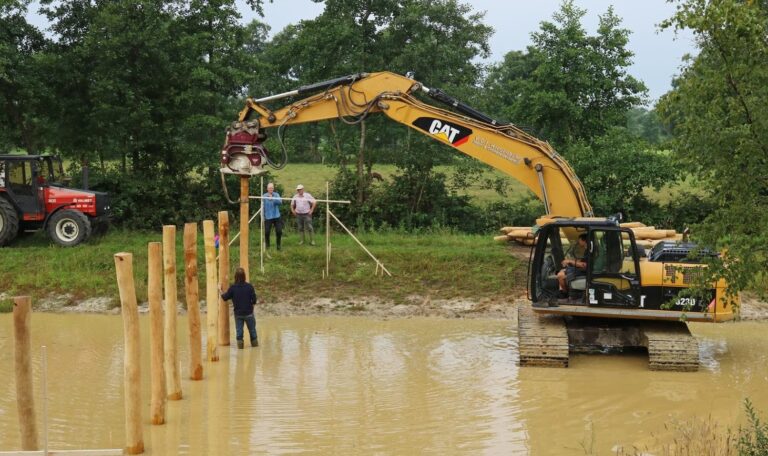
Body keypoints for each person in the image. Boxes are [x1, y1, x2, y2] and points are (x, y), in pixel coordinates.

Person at [220, 267, 258, 349]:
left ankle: (240, 351)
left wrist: (220, 290)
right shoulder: (249, 287)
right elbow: (254, 300)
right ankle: (255, 348)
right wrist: (251, 310)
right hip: (249, 313)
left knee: (239, 334)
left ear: (235, 277)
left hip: (238, 314)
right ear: (244, 276)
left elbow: (224, 297)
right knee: (253, 332)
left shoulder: (233, 288)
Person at [557, 233, 588, 298]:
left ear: (583, 241)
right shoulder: (587, 250)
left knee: (560, 275)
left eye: (579, 240)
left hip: (584, 271)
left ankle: (565, 294)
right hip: (582, 270)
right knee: (562, 270)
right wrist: (571, 261)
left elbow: (584, 265)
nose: (578, 242)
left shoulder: (589, 251)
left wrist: (569, 261)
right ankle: (561, 291)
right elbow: (583, 261)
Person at [263, 182, 282, 250]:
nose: (271, 189)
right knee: (267, 232)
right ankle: (268, 246)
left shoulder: (276, 194)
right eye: (269, 188)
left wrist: (273, 199)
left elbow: (280, 202)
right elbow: (262, 206)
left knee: (279, 231)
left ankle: (278, 247)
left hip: (277, 216)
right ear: (267, 189)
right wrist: (262, 216)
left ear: (273, 188)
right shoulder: (264, 195)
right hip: (268, 217)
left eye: (272, 188)